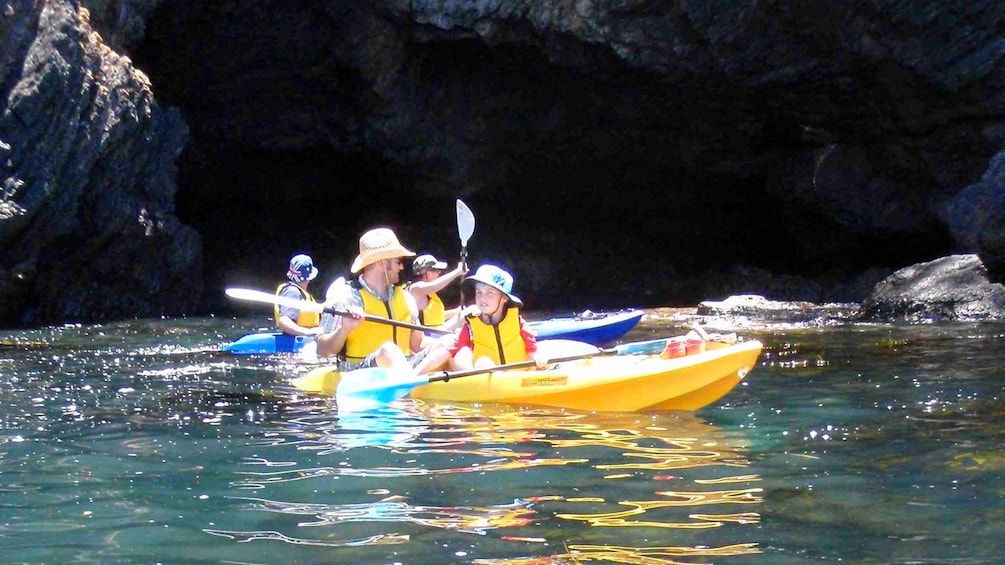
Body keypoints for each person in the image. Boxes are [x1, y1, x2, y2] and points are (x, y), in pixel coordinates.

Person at [315, 228, 448, 374]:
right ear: (382, 263)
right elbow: (322, 350)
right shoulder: (345, 297)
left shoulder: (406, 298)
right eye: (398, 261)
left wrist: (451, 342)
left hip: (404, 368)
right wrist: (344, 329)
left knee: (447, 344)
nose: (402, 267)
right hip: (359, 373)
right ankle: (409, 386)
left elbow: (418, 343)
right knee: (388, 350)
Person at [446, 264, 549, 371]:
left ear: (504, 298)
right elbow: (453, 352)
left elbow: (533, 350)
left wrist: (539, 359)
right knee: (476, 359)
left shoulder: (518, 323)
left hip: (519, 378)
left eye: (489, 293)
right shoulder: (470, 327)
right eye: (479, 292)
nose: (482, 298)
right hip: (487, 380)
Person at [407, 254, 469, 331]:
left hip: (435, 332)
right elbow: (434, 285)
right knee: (472, 311)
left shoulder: (430, 293)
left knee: (467, 313)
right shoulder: (416, 289)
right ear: (428, 273)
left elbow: (436, 316)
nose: (439, 273)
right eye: (437, 270)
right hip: (427, 335)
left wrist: (456, 311)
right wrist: (458, 272)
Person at [274, 253, 322, 337]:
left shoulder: (297, 291)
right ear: (309, 277)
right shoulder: (292, 292)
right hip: (298, 343)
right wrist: (308, 332)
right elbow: (284, 321)